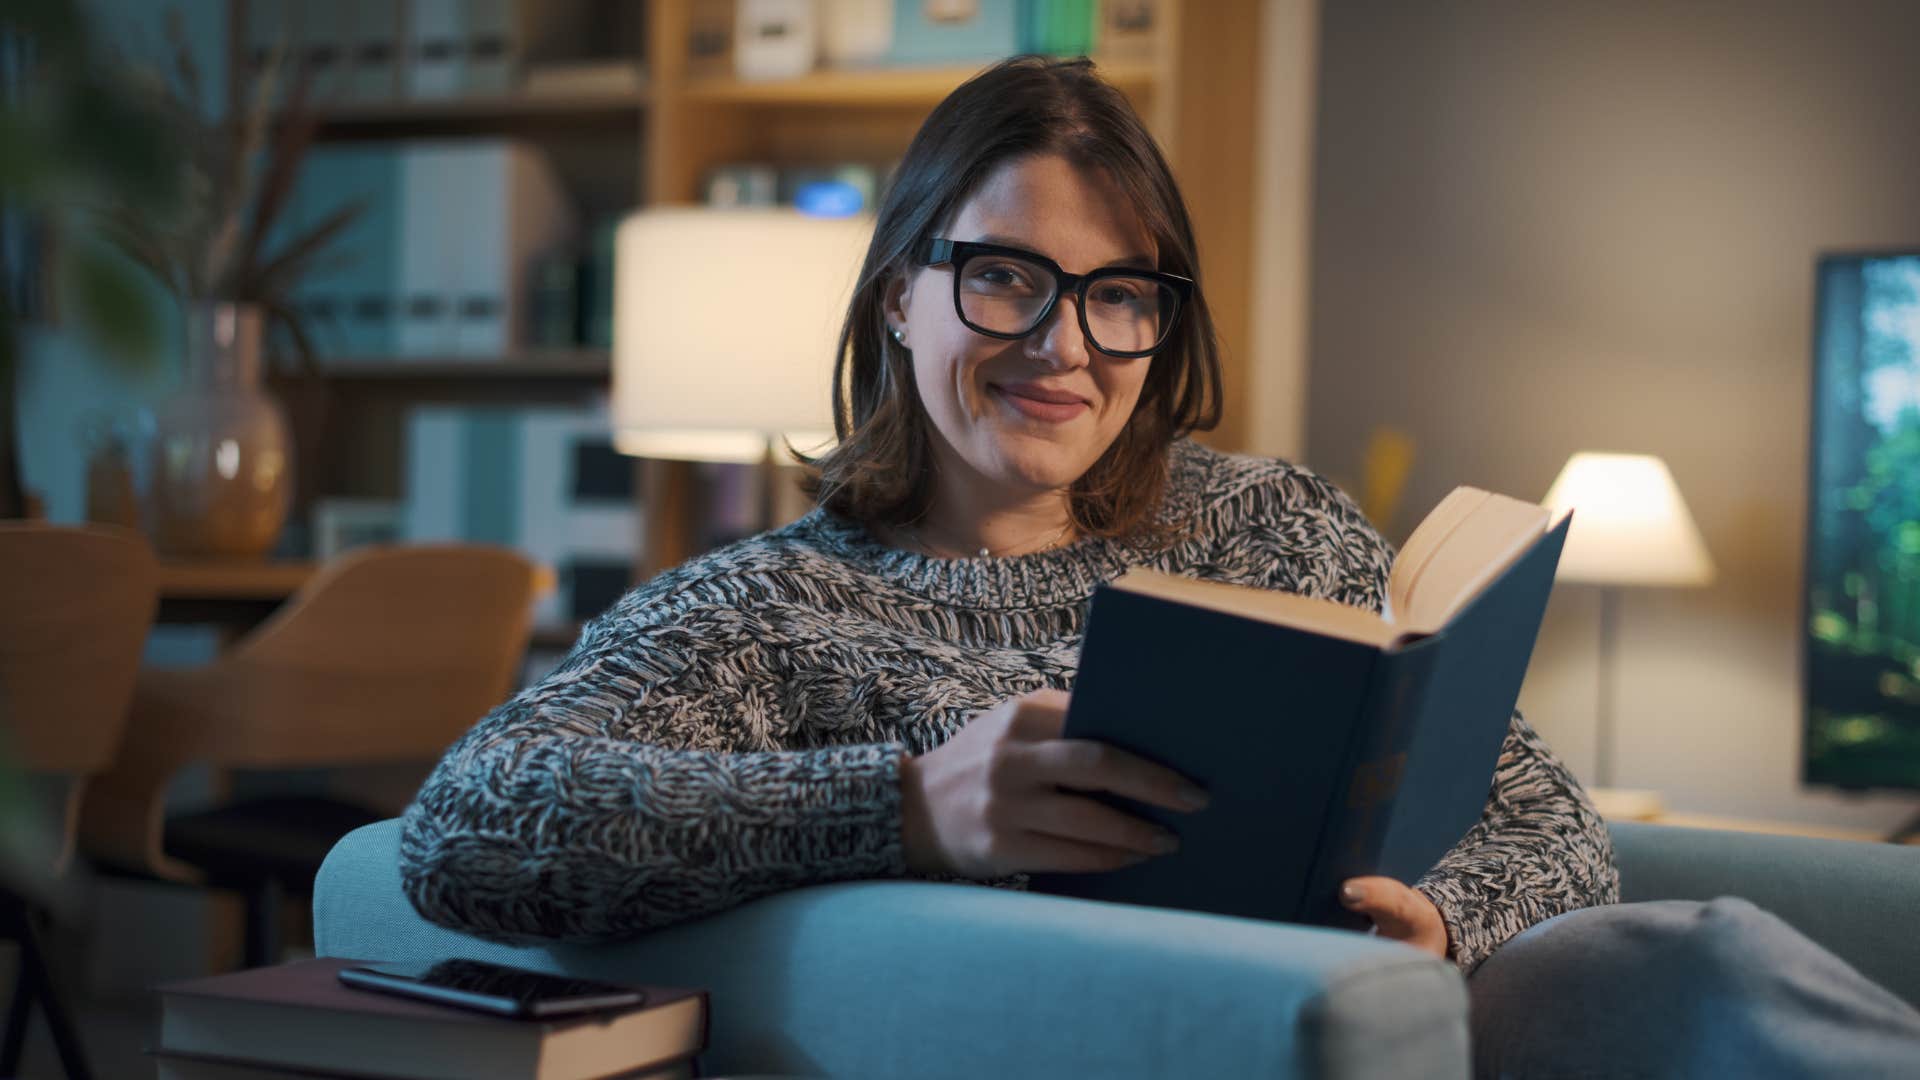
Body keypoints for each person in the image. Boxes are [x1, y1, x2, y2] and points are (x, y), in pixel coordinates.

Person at [400, 56, 1920, 1076]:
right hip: (1148, 1040)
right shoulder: (768, 607)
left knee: (1693, 961)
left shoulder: (1275, 524)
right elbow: (464, 829)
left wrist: (1442, 922)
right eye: (1006, 277)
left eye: (1120, 295)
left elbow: (1553, 827)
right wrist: (909, 809)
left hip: (1412, 1028)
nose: (1064, 343)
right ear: (897, 306)